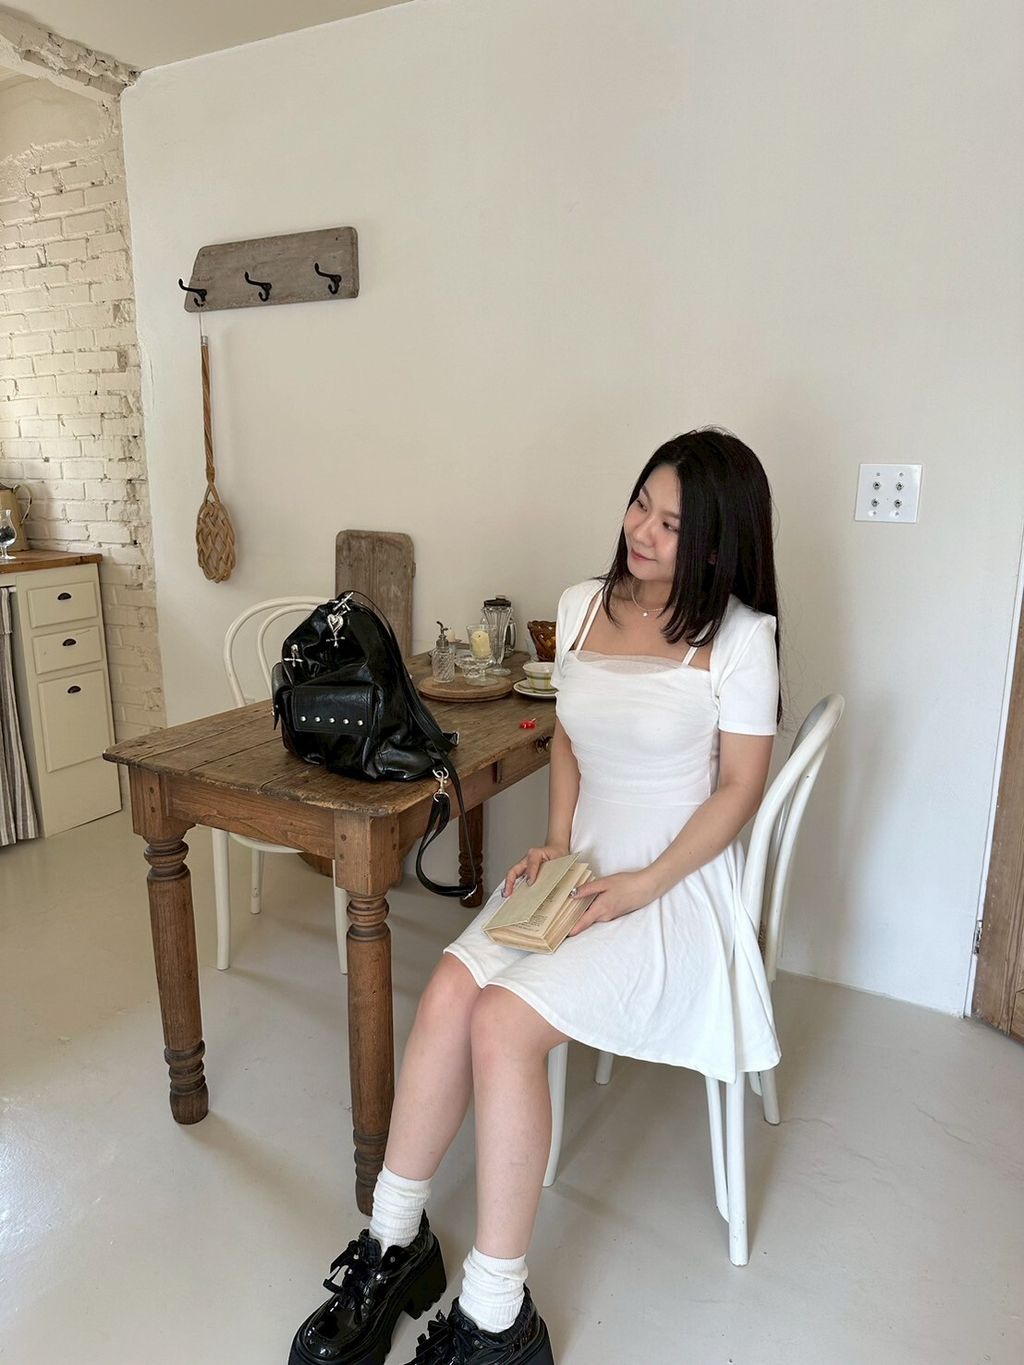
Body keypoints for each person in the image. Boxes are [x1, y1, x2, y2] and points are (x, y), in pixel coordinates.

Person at [289, 428, 783, 1365]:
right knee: (449, 988)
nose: (642, 531)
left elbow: (739, 789)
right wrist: (557, 841)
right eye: (641, 504)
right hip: (582, 869)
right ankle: (395, 1241)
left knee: (503, 1023)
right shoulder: (583, 604)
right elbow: (567, 740)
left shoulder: (742, 637)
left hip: (672, 887)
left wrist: (641, 883)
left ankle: (495, 1315)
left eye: (672, 525)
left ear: (718, 545)